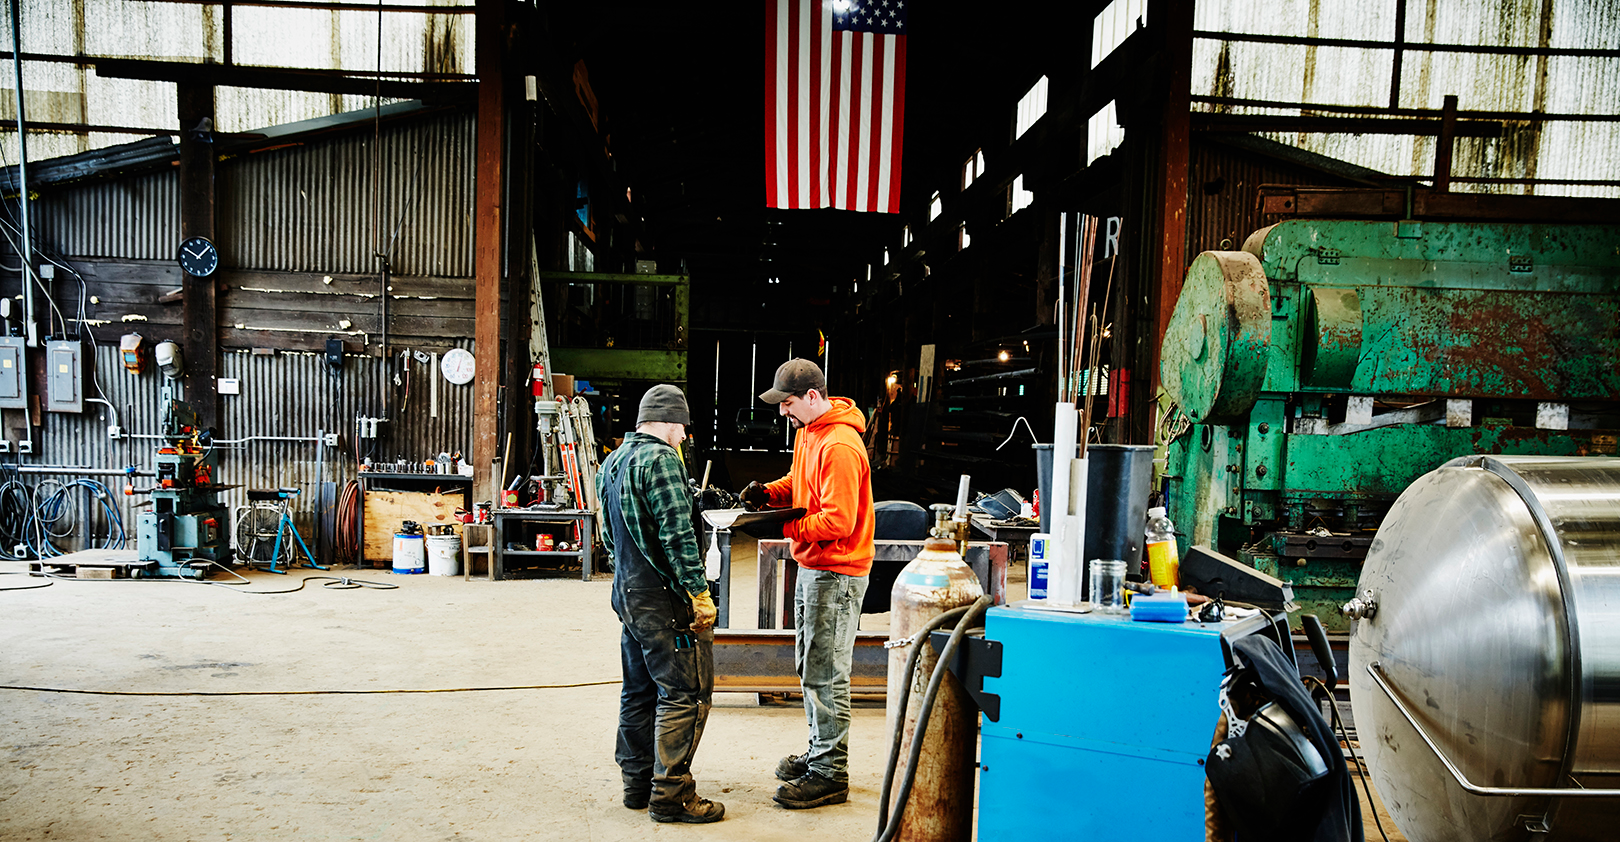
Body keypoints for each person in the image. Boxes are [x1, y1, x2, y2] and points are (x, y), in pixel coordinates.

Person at [741, 358, 875, 809]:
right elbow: (800, 483)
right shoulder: (809, 432)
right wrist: (769, 493)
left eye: (788, 403)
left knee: (826, 671)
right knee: (810, 665)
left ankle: (830, 773)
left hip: (836, 572)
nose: (783, 411)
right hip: (815, 567)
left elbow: (837, 521)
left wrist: (780, 526)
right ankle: (821, 751)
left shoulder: (839, 445)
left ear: (813, 396)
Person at [597, 384, 724, 824]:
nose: (684, 436)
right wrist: (698, 593)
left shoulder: (613, 461)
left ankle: (636, 785)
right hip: (663, 600)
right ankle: (671, 795)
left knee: (638, 690)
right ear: (669, 421)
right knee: (684, 693)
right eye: (683, 427)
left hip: (628, 595)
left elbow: (608, 536)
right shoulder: (662, 460)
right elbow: (677, 535)